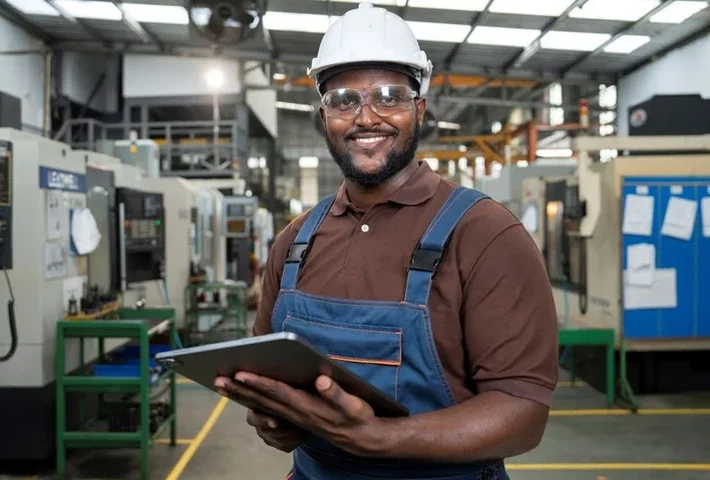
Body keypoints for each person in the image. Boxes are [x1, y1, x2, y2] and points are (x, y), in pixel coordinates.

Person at [214, 3, 559, 479]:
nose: (366, 117)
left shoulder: (486, 235)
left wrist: (378, 439)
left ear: (419, 109)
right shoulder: (294, 242)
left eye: (389, 96)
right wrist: (277, 421)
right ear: (324, 115)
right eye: (344, 100)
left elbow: (523, 413)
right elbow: (269, 381)